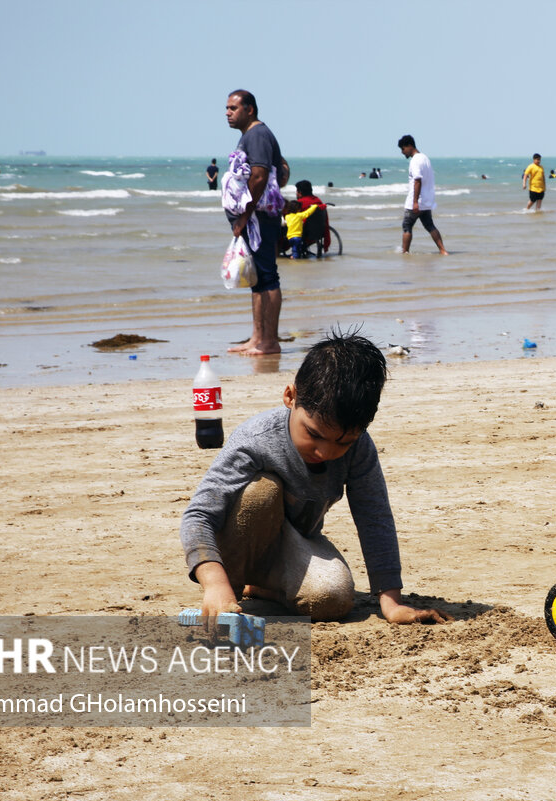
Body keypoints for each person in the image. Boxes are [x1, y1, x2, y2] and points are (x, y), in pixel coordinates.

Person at [180, 330, 452, 629]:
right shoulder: (254, 440)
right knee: (262, 493)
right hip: (235, 549)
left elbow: (374, 516)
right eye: (314, 434)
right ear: (290, 396)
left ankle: (262, 587)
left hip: (294, 544)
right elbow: (198, 516)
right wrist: (215, 584)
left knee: (332, 600)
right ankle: (230, 588)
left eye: (343, 442)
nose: (326, 451)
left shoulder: (360, 447)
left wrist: (392, 603)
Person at [223, 89, 290, 356]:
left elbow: (260, 177)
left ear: (249, 109)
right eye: (227, 109)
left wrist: (244, 216)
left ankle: (270, 342)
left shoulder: (258, 135)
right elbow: (282, 167)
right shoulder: (251, 136)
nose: (228, 113)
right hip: (254, 219)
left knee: (267, 278)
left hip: (258, 219)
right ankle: (257, 338)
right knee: (257, 279)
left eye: (233, 108)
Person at [398, 134, 447, 255]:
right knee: (430, 226)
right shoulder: (425, 158)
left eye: (403, 149)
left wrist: (415, 202)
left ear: (409, 146)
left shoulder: (415, 161)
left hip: (416, 202)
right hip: (426, 201)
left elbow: (417, 180)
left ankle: (405, 253)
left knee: (406, 226)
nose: (402, 152)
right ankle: (443, 251)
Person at [294, 179, 331, 253]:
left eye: (297, 191)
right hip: (319, 232)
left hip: (305, 233)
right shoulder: (318, 200)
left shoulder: (300, 203)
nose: (296, 193)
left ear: (300, 192)